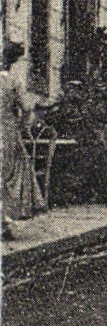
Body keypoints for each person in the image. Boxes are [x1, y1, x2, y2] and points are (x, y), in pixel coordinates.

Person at [2, 42, 40, 234]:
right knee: (12, 173)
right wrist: (24, 127)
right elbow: (28, 110)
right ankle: (4, 220)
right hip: (7, 132)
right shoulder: (13, 82)